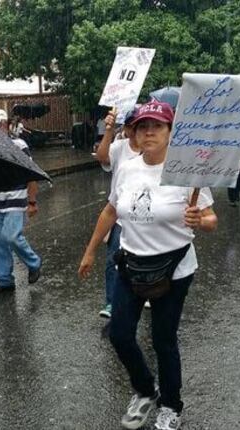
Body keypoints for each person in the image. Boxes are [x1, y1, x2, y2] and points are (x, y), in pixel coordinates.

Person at [78, 101, 218, 430]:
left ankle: (171, 405)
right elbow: (111, 211)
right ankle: (145, 389)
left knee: (163, 339)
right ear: (135, 133)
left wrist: (201, 219)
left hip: (175, 269)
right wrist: (90, 251)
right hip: (131, 263)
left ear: (171, 132)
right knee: (120, 334)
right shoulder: (127, 167)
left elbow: (211, 219)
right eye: (143, 126)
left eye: (157, 126)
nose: (149, 131)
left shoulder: (187, 172)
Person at [0, 109, 42, 296]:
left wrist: (32, 201)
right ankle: (5, 280)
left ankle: (34, 263)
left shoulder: (19, 145)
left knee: (11, 236)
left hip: (16, 199)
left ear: (6, 125)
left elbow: (31, 174)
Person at [95, 107, 141, 318]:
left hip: (144, 215)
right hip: (118, 211)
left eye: (137, 125)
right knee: (114, 259)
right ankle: (112, 302)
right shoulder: (120, 147)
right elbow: (102, 157)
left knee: (142, 258)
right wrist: (108, 131)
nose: (134, 129)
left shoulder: (154, 149)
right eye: (130, 125)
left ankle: (144, 293)